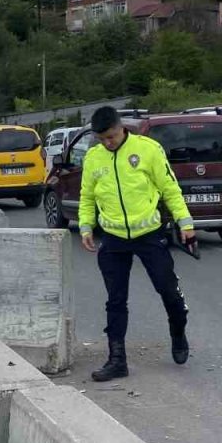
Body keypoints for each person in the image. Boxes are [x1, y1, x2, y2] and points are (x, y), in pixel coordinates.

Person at [77, 106, 195, 381]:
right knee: (115, 300)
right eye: (102, 139)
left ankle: (178, 332)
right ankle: (117, 359)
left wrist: (185, 223)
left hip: (149, 235)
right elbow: (87, 196)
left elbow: (170, 189)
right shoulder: (94, 158)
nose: (108, 143)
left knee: (169, 293)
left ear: (122, 127)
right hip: (114, 238)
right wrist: (86, 226)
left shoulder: (149, 150)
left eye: (112, 137)